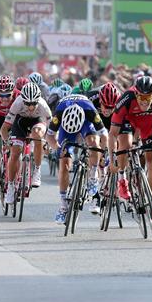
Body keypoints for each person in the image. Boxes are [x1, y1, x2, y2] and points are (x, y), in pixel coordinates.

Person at [107, 76, 152, 232]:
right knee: (126, 144)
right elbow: (112, 134)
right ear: (136, 94)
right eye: (141, 97)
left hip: (148, 122)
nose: (144, 101)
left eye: (148, 97)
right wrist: (112, 158)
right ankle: (122, 180)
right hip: (128, 121)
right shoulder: (126, 99)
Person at [46, 94, 106, 223]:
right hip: (66, 129)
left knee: (94, 143)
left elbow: (104, 135)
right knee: (64, 164)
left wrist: (104, 153)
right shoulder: (59, 112)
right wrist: (57, 149)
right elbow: (49, 136)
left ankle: (92, 176)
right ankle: (63, 206)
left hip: (85, 123)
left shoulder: (90, 110)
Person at [1, 82, 52, 205]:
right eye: (27, 103)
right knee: (15, 152)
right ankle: (11, 186)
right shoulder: (17, 103)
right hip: (20, 122)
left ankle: (37, 171)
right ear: (22, 100)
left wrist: (48, 143)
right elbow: (4, 128)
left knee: (37, 135)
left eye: (33, 103)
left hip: (37, 121)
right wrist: (7, 141)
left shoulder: (43, 105)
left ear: (38, 100)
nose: (30, 107)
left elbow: (52, 128)